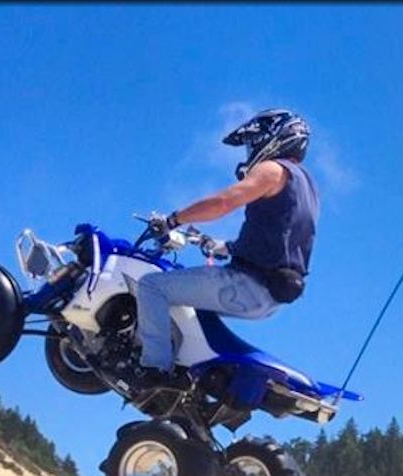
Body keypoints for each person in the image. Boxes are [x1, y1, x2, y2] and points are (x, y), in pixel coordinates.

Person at [132, 108, 319, 399]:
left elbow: (223, 202)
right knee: (188, 306)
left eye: (254, 141)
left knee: (152, 286)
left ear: (276, 137)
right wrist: (225, 246)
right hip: (270, 297)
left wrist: (173, 220)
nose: (251, 149)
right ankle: (193, 372)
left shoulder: (272, 170)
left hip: (246, 285)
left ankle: (156, 370)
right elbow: (279, 236)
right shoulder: (306, 186)